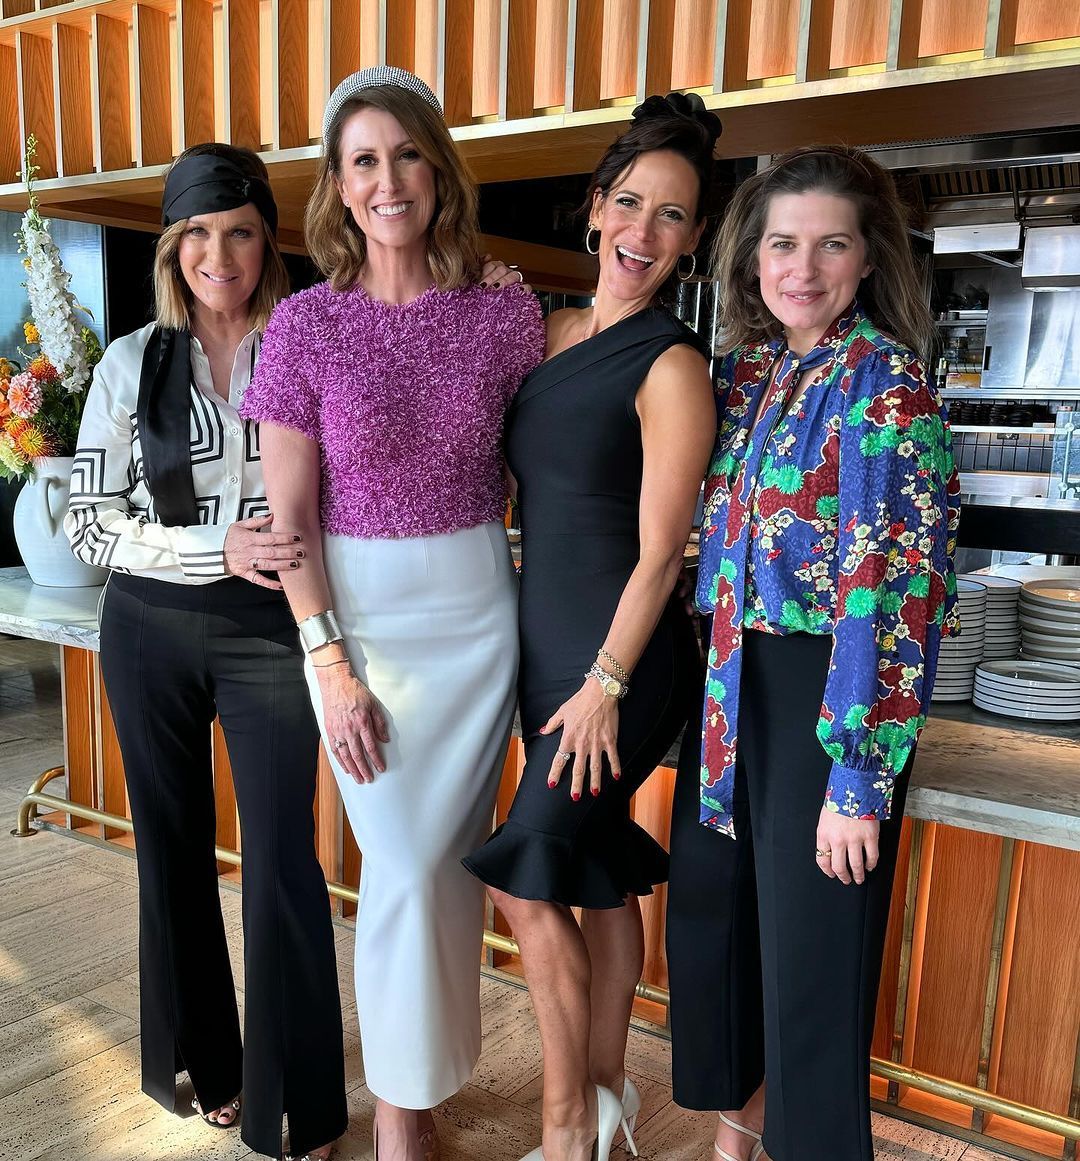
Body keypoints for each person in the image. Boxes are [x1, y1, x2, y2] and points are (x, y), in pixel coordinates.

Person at [239, 67, 545, 1161]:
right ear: (336, 184)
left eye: (407, 153)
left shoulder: (506, 312)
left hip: (480, 616)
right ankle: (402, 1117)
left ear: (439, 169)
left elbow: (562, 441)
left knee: (447, 866)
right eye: (362, 160)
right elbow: (289, 524)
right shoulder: (305, 324)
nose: (387, 179)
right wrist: (328, 662)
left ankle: (426, 1090)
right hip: (361, 625)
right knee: (405, 866)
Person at [665, 145, 960, 1161]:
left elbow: (895, 598)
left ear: (868, 258)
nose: (802, 267)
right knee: (729, 941)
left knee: (812, 979)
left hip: (829, 696)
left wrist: (857, 779)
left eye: (831, 244)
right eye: (783, 244)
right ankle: (737, 1141)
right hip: (732, 685)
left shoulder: (886, 389)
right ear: (753, 258)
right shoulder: (749, 375)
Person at [65, 144, 347, 1161]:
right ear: (171, 248)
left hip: (273, 627)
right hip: (148, 625)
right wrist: (209, 546)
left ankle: (297, 1099)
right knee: (172, 851)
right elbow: (85, 523)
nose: (217, 256)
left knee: (282, 859)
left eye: (238, 232)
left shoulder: (310, 342)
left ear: (267, 239)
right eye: (196, 235)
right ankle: (212, 1066)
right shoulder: (130, 362)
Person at [462, 93, 720, 1161]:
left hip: (620, 661)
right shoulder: (548, 332)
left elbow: (663, 553)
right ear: (596, 206)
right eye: (630, 202)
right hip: (545, 649)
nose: (643, 231)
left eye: (672, 215)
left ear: (692, 241)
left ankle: (569, 1129)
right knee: (595, 870)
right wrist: (485, 294)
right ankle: (608, 1099)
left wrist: (606, 684)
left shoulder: (673, 365)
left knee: (525, 880)